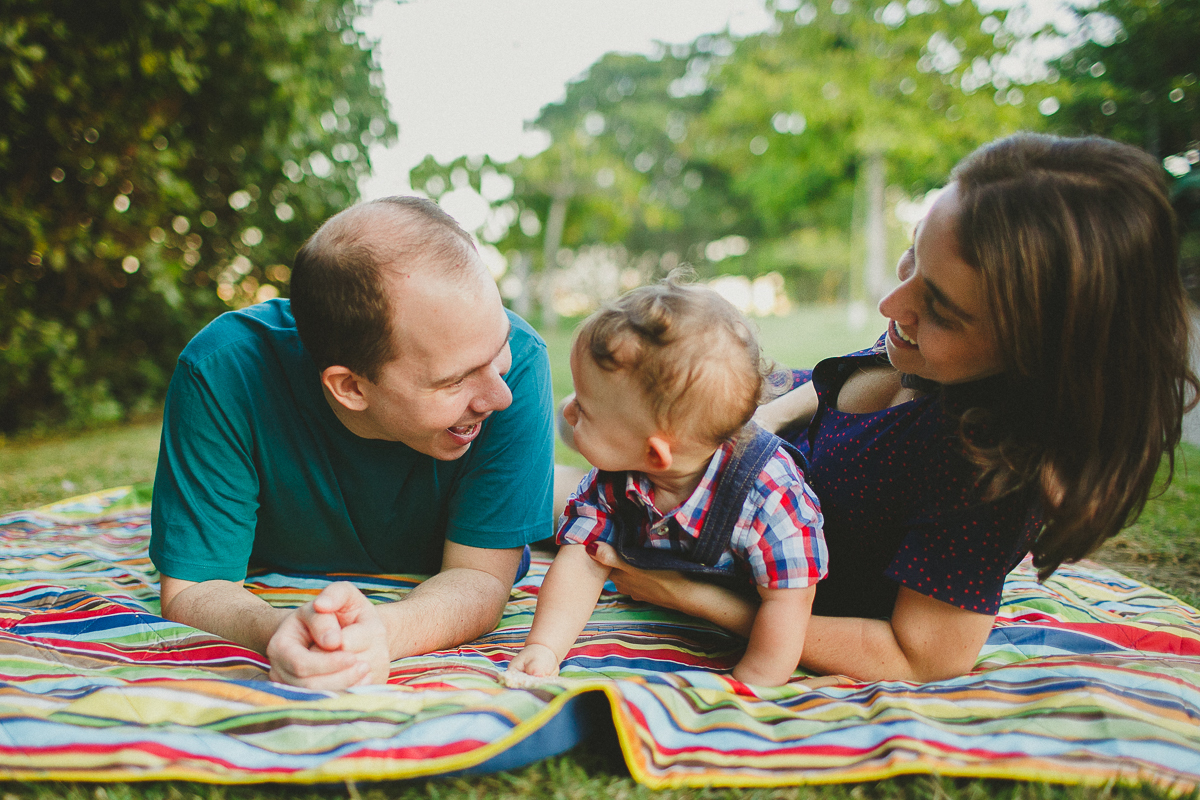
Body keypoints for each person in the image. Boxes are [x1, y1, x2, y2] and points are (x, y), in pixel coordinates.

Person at [576, 133, 1199, 683]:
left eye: (943, 309)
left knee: (563, 498)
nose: (892, 303)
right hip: (739, 474)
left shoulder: (986, 471)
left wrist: (688, 597)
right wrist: (757, 422)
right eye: (912, 255)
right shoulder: (920, 350)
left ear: (1038, 351)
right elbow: (821, 390)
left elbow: (922, 657)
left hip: (748, 554)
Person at [150, 197, 555, 690]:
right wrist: (281, 631)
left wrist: (379, 635)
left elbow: (483, 577)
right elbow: (195, 587)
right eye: (455, 381)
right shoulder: (221, 373)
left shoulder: (524, 362)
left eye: (499, 348)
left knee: (569, 503)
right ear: (351, 387)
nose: (500, 394)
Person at [508, 281, 826, 687]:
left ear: (656, 455)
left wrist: (752, 684)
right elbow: (581, 561)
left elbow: (789, 602)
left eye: (583, 408)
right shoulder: (616, 476)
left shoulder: (770, 496)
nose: (566, 409)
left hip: (747, 608)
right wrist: (545, 647)